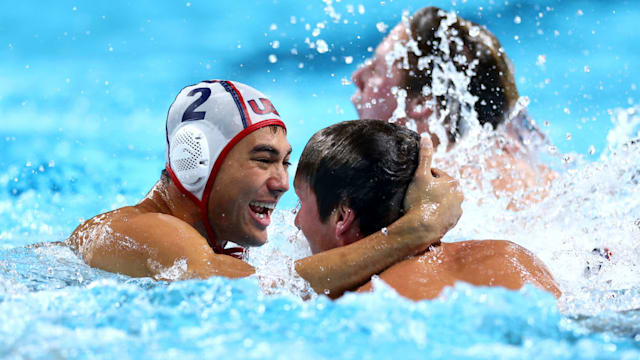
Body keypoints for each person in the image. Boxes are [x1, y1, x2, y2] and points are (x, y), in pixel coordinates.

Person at [66, 80, 463, 298]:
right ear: (198, 162)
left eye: (285, 161)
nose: (282, 183)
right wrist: (417, 229)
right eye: (263, 159)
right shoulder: (146, 229)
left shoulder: (213, 244)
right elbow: (262, 291)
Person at [294, 119, 561, 300]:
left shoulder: (366, 300)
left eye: (300, 202)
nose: (295, 221)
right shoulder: (512, 256)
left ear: (342, 216)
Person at [351, 6, 557, 208]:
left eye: (376, 71)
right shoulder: (530, 172)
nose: (357, 77)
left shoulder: (420, 190)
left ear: (423, 103)